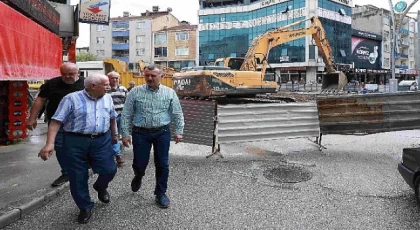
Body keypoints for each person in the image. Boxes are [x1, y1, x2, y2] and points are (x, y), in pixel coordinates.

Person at [38, 73, 118, 224]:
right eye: (106, 84)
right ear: (93, 86)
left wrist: (115, 136)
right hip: (75, 141)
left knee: (109, 169)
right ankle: (85, 206)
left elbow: (112, 117)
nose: (109, 87)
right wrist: (49, 144)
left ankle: (100, 186)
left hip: (101, 140)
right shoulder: (71, 99)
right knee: (77, 176)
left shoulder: (107, 97)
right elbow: (56, 122)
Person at [120, 64, 184, 209]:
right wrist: (125, 133)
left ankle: (160, 193)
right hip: (140, 133)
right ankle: (138, 175)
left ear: (161, 76)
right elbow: (126, 114)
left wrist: (179, 131)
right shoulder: (135, 92)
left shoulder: (169, 93)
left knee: (162, 163)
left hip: (162, 132)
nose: (149, 78)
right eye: (147, 75)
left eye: (153, 75)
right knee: (139, 163)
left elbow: (177, 113)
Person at [26, 63, 84, 187]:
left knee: (80, 147)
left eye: (71, 74)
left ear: (78, 73)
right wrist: (32, 118)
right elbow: (40, 100)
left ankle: (82, 168)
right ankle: (66, 173)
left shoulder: (86, 84)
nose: (67, 76)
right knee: (59, 147)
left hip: (80, 123)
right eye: (64, 74)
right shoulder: (52, 83)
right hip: (57, 123)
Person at [107, 71, 128, 164]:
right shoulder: (105, 89)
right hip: (109, 118)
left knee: (116, 135)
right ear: (108, 79)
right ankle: (117, 154)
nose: (115, 80)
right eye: (113, 78)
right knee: (111, 135)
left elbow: (128, 102)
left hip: (121, 116)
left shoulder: (123, 89)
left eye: (116, 78)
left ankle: (117, 154)